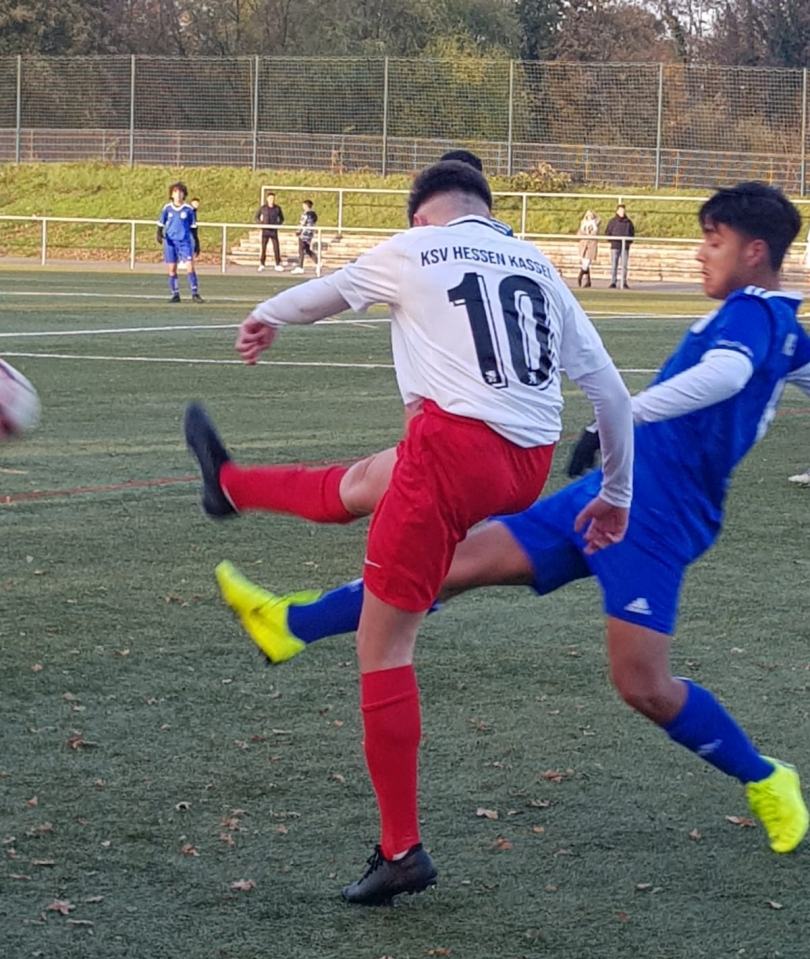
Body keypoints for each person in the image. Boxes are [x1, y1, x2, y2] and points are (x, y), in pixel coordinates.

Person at [215, 181, 810, 861]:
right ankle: (291, 624)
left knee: (643, 685)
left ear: (754, 251)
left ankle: (767, 777)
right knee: (446, 566)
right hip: (606, 495)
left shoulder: (752, 316)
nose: (702, 253)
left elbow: (726, 376)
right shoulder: (783, 328)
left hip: (659, 519)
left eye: (714, 241)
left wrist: (628, 415)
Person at [185, 160, 635, 906]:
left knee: (385, 646)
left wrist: (266, 313)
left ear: (423, 215)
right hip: (523, 464)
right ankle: (230, 486)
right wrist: (615, 494)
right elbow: (612, 396)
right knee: (367, 480)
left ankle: (400, 851)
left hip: (451, 456)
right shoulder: (537, 263)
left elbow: (327, 293)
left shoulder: (416, 246)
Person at [157, 182, 203, 303]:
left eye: (181, 192)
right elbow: (161, 223)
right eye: (175, 192)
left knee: (190, 267)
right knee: (172, 268)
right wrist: (159, 233)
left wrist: (197, 242)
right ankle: (175, 294)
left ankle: (195, 293)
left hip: (184, 242)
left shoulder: (188, 210)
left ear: (184, 194)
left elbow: (193, 227)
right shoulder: (167, 208)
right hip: (170, 242)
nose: (178, 195)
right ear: (172, 194)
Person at [605, 201, 635, 289]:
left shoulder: (628, 222)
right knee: (614, 265)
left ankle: (624, 282)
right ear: (617, 211)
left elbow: (632, 233)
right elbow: (608, 232)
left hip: (625, 247)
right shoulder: (613, 222)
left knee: (624, 265)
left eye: (623, 210)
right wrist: (612, 241)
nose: (622, 212)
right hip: (615, 246)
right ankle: (613, 282)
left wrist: (628, 242)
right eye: (621, 210)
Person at [255, 191, 285, 272]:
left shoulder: (277, 208)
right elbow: (256, 217)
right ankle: (262, 263)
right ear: (267, 199)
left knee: (276, 247)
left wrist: (277, 224)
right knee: (263, 247)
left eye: (273, 198)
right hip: (265, 230)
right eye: (270, 198)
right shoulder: (263, 208)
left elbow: (282, 218)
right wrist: (261, 224)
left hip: (273, 231)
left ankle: (277, 264)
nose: (272, 200)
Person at [290, 199, 318, 275]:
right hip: (309, 234)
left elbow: (302, 223)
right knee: (307, 249)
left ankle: (300, 266)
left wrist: (298, 231)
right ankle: (317, 262)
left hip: (304, 234)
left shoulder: (306, 214)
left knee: (301, 250)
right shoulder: (313, 214)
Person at [576, 209, 600, 288]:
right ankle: (588, 281)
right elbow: (579, 235)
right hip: (583, 245)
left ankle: (580, 276)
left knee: (586, 263)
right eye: (588, 215)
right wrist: (582, 230)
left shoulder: (595, 224)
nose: (589, 217)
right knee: (585, 263)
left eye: (591, 215)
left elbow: (594, 234)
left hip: (591, 246)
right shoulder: (583, 224)